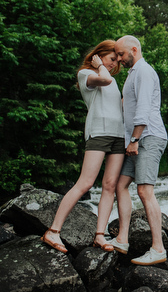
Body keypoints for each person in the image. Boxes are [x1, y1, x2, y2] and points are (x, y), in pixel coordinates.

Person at [41, 40, 125, 253]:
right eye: (111, 59)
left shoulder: (111, 79)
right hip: (99, 133)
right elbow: (104, 80)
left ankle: (99, 235)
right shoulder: (87, 74)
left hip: (118, 136)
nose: (115, 64)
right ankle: (53, 230)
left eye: (117, 61)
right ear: (99, 55)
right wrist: (100, 66)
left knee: (109, 186)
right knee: (85, 183)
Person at [111, 35, 168, 266]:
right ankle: (122, 239)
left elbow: (144, 106)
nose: (119, 59)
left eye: (122, 54)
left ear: (134, 49)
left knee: (144, 191)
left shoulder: (144, 71)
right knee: (120, 185)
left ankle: (158, 248)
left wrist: (134, 139)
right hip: (134, 140)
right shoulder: (132, 74)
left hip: (147, 137)